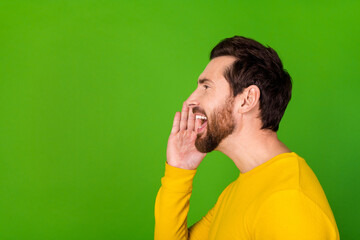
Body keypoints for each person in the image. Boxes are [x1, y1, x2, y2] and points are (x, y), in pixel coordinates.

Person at [154, 36, 340, 240]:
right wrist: (179, 170)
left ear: (247, 100)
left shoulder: (288, 200)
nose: (189, 100)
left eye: (206, 87)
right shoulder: (237, 191)